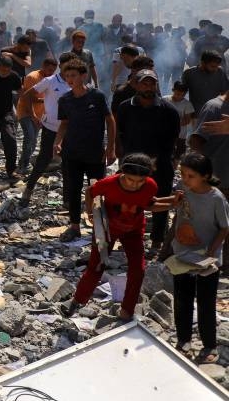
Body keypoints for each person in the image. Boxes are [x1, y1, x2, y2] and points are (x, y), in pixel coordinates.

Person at [61, 154, 179, 321]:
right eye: (130, 180)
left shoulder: (150, 186)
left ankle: (126, 311)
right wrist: (90, 214)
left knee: (138, 270)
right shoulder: (109, 184)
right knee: (96, 266)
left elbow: (148, 204)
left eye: (140, 181)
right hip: (106, 230)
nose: (135, 185)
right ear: (122, 173)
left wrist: (172, 203)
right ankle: (76, 301)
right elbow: (90, 192)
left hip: (133, 231)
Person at [164, 152, 228, 363]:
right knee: (182, 299)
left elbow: (224, 228)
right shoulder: (183, 191)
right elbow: (175, 214)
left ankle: (209, 344)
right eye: (182, 174)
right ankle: (184, 340)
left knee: (206, 302)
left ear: (205, 176)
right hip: (183, 253)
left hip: (207, 259)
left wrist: (212, 251)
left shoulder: (216, 198)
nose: (184, 179)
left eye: (190, 175)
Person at [115, 69, 181, 249]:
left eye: (152, 83)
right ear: (136, 85)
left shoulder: (169, 111)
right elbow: (119, 133)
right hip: (132, 164)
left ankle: (157, 240)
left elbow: (175, 138)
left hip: (160, 164)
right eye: (144, 83)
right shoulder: (125, 107)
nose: (149, 87)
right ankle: (129, 236)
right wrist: (117, 153)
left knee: (161, 199)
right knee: (130, 201)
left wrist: (172, 159)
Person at [52, 58, 116, 242]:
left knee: (97, 189)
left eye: (73, 75)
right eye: (67, 76)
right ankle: (74, 226)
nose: (70, 79)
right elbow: (64, 123)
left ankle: (100, 226)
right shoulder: (65, 100)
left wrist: (110, 149)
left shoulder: (96, 96)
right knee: (73, 189)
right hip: (72, 152)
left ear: (83, 75)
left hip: (94, 153)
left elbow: (110, 121)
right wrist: (57, 141)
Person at [20, 53, 73, 204]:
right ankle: (28, 190)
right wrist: (33, 115)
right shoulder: (50, 81)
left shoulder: (75, 82)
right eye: (66, 65)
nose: (69, 68)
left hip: (69, 130)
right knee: (43, 160)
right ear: (60, 66)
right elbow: (27, 95)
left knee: (68, 164)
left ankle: (67, 199)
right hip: (51, 128)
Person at [17, 56, 57, 173]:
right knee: (29, 137)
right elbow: (26, 97)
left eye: (53, 71)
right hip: (25, 112)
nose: (51, 73)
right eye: (49, 70)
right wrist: (33, 114)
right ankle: (23, 166)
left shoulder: (51, 79)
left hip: (39, 115)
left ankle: (24, 162)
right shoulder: (32, 77)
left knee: (34, 140)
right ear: (43, 67)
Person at [181, 51, 229, 115]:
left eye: (217, 66)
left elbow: (225, 92)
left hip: (214, 113)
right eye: (212, 66)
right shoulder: (189, 73)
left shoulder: (220, 72)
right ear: (203, 63)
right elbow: (181, 94)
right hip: (196, 113)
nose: (215, 69)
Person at [166, 81, 195, 161]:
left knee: (178, 155)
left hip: (180, 134)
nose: (180, 97)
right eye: (178, 94)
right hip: (166, 133)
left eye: (183, 95)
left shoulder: (187, 104)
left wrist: (172, 123)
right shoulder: (165, 100)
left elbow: (187, 120)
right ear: (173, 90)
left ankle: (175, 170)